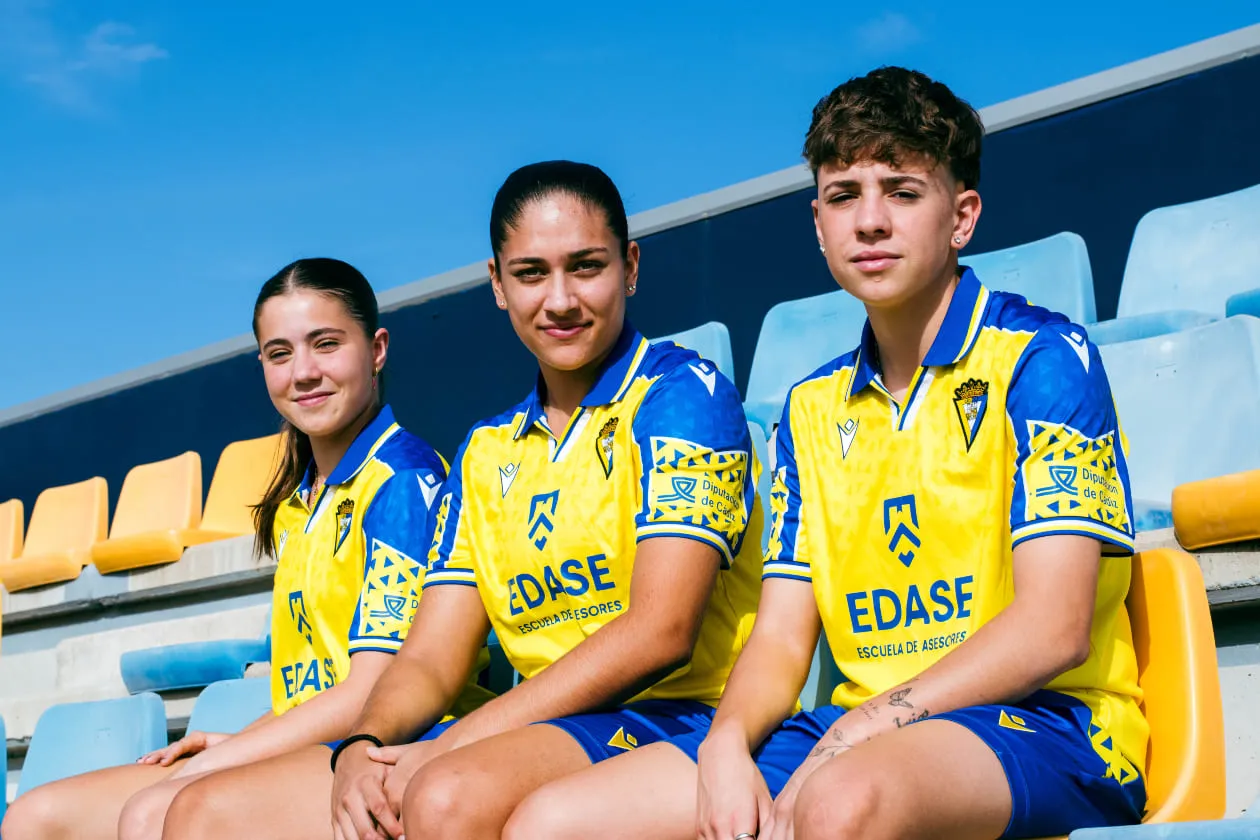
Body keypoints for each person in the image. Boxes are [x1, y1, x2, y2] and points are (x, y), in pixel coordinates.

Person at [502, 68, 1149, 840]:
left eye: (902, 192)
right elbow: (779, 639)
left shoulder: (1042, 357)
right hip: (857, 732)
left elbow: (1054, 626)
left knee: (840, 801)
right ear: (817, 223)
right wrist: (726, 746)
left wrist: (858, 730)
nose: (869, 221)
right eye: (844, 196)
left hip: (1052, 725)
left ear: (962, 216)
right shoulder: (808, 409)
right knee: (554, 823)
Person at [154, 160, 762, 840]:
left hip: (676, 716)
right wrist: (364, 745)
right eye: (531, 273)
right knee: (203, 815)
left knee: (443, 795)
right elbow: (431, 656)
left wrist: (453, 742)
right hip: (542, 729)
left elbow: (661, 631)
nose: (559, 300)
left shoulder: (682, 394)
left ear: (631, 266)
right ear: (497, 285)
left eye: (585, 267)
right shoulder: (485, 451)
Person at [1, 258, 486, 840]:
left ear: (377, 349)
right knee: (36, 818)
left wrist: (224, 761)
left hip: (392, 745)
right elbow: (315, 682)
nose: (303, 372)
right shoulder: (296, 505)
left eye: (326, 344)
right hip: (312, 742)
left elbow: (370, 691)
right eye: (280, 354)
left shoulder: (402, 482)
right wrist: (243, 741)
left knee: (160, 810)